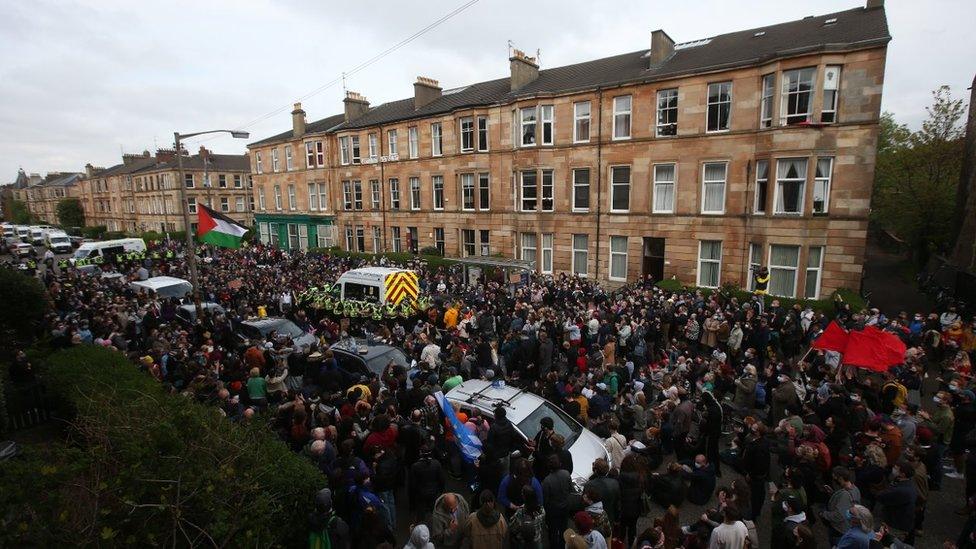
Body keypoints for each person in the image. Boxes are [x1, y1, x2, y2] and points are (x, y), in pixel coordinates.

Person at [542, 455, 573, 549]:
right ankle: (563, 545)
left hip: (553, 510)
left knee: (553, 532)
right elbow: (570, 489)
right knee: (564, 528)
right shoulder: (566, 474)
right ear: (559, 464)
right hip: (565, 507)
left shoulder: (547, 481)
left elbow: (545, 500)